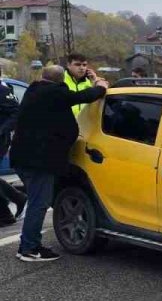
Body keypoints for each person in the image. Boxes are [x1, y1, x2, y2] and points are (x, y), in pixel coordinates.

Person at [10, 64, 108, 262]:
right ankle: (29, 248)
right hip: (40, 161)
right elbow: (85, 96)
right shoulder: (55, 94)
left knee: (36, 202)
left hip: (23, 158)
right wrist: (100, 84)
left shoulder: (33, 90)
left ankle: (28, 244)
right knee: (39, 204)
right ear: (61, 80)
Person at [0, 80, 27, 225]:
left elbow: (16, 112)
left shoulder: (2, 90)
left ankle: (17, 199)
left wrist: (2, 130)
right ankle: (5, 214)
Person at [63, 53, 99, 117]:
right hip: (66, 123)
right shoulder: (60, 79)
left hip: (86, 123)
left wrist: (95, 82)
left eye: (84, 65)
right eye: (77, 64)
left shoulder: (90, 80)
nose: (82, 68)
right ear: (68, 65)